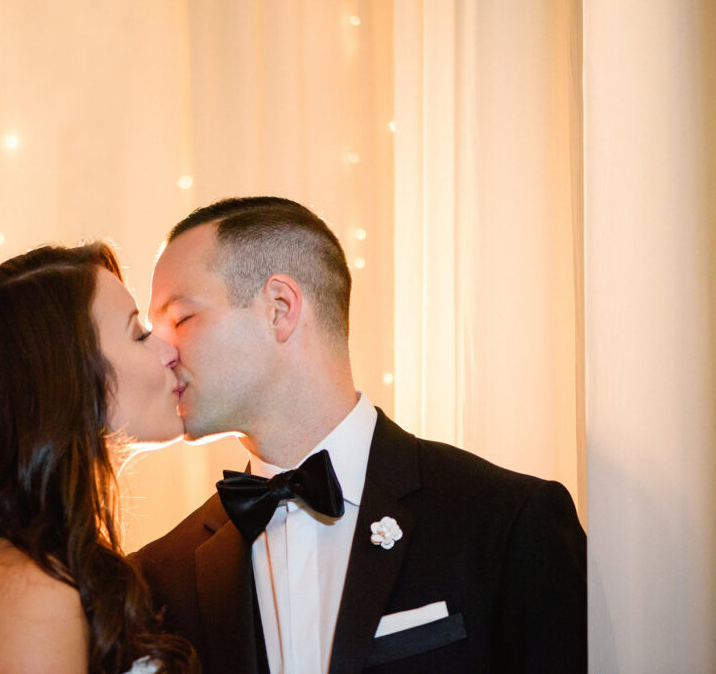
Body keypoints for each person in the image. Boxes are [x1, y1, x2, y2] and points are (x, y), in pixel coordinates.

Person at [133, 197, 587, 673]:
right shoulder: (158, 577)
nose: (161, 353)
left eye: (181, 318)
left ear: (279, 308)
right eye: (151, 331)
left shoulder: (506, 522)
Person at [0, 244, 195, 673]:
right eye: (138, 333)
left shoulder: (11, 568)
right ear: (61, 381)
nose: (170, 350)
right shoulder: (23, 590)